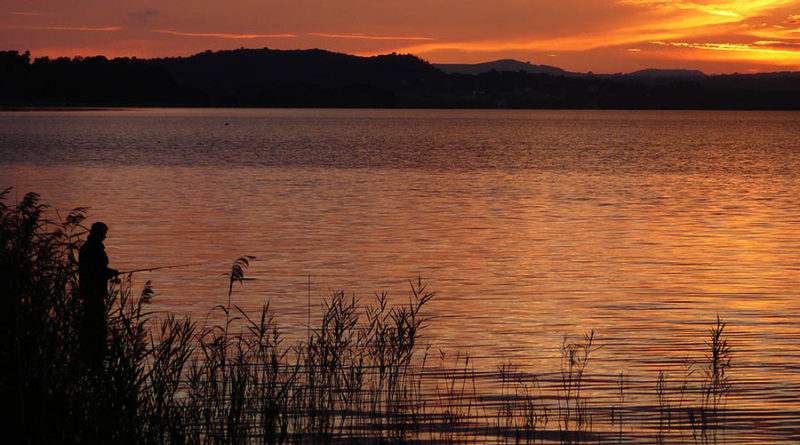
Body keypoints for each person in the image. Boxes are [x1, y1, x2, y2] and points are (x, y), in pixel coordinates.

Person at [78, 221, 118, 369]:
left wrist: (109, 273)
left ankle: (91, 352)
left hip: (91, 292)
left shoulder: (88, 248)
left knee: (93, 324)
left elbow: (98, 269)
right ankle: (95, 356)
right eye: (103, 234)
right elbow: (96, 271)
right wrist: (110, 273)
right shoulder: (93, 249)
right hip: (93, 293)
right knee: (96, 324)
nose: (104, 237)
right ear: (97, 233)